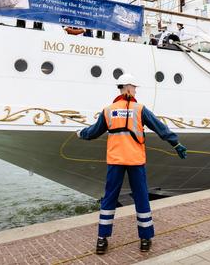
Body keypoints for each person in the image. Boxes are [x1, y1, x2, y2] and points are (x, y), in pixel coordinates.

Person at [77, 74, 187, 255]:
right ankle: (145, 240)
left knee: (109, 198)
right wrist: (175, 143)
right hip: (135, 161)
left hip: (115, 161)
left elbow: (93, 132)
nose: (135, 91)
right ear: (128, 88)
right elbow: (160, 128)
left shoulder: (108, 110)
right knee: (141, 197)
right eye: (135, 88)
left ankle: (102, 240)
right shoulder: (140, 109)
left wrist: (81, 133)